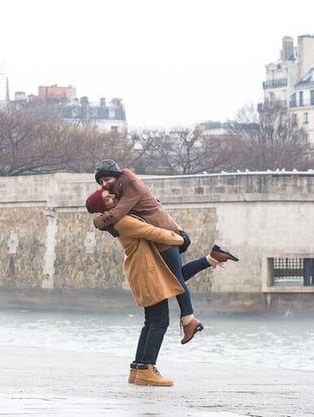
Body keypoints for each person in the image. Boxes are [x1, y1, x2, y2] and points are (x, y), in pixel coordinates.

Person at [92, 159, 239, 344]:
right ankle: (212, 258)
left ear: (117, 174)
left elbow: (117, 214)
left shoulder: (130, 184)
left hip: (164, 237)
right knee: (174, 277)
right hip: (165, 234)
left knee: (175, 279)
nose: (105, 184)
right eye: (101, 182)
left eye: (106, 179)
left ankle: (189, 320)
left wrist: (98, 222)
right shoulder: (122, 188)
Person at [86, 188, 217, 387]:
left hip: (144, 269)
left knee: (151, 321)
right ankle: (147, 368)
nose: (112, 197)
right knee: (159, 321)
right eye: (107, 198)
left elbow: (177, 277)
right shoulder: (123, 221)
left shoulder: (119, 219)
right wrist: (181, 239)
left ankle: (138, 368)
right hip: (146, 271)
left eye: (110, 194)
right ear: (102, 207)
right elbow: (152, 233)